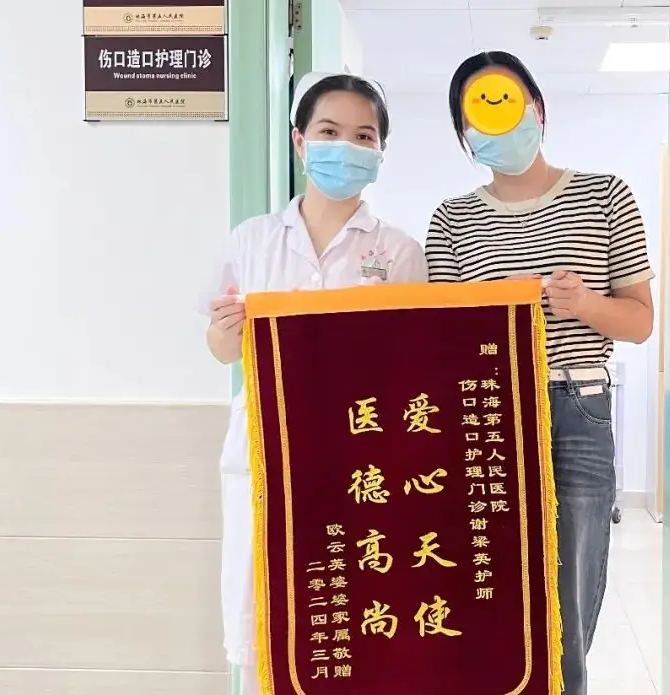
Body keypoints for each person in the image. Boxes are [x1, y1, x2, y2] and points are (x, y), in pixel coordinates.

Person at [425, 51, 655, 695]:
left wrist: (583, 305)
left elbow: (639, 321)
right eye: (478, 115)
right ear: (463, 134)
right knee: (488, 584)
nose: (496, 125)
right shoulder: (450, 218)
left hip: (576, 406)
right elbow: (442, 339)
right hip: (488, 414)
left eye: (507, 104)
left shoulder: (606, 194)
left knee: (568, 598)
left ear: (539, 110)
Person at [200, 72, 427, 695]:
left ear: (380, 152)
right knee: (268, 620)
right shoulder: (252, 241)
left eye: (364, 136)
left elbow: (413, 364)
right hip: (268, 452)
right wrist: (225, 329)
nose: (345, 146)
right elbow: (221, 351)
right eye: (329, 131)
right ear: (300, 142)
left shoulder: (400, 251)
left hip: (364, 456)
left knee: (357, 616)